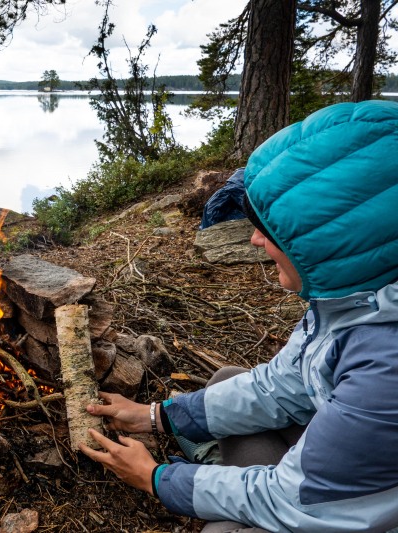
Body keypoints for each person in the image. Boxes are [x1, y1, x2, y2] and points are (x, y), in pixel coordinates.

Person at [80, 99, 398, 533]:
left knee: (223, 531)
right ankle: (216, 473)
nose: (252, 241)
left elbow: (295, 502)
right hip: (350, 477)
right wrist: (155, 416)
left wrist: (156, 479)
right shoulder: (359, 298)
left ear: (337, 245)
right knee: (229, 378)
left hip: (342, 510)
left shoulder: (386, 361)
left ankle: (214, 480)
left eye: (268, 232)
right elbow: (280, 388)